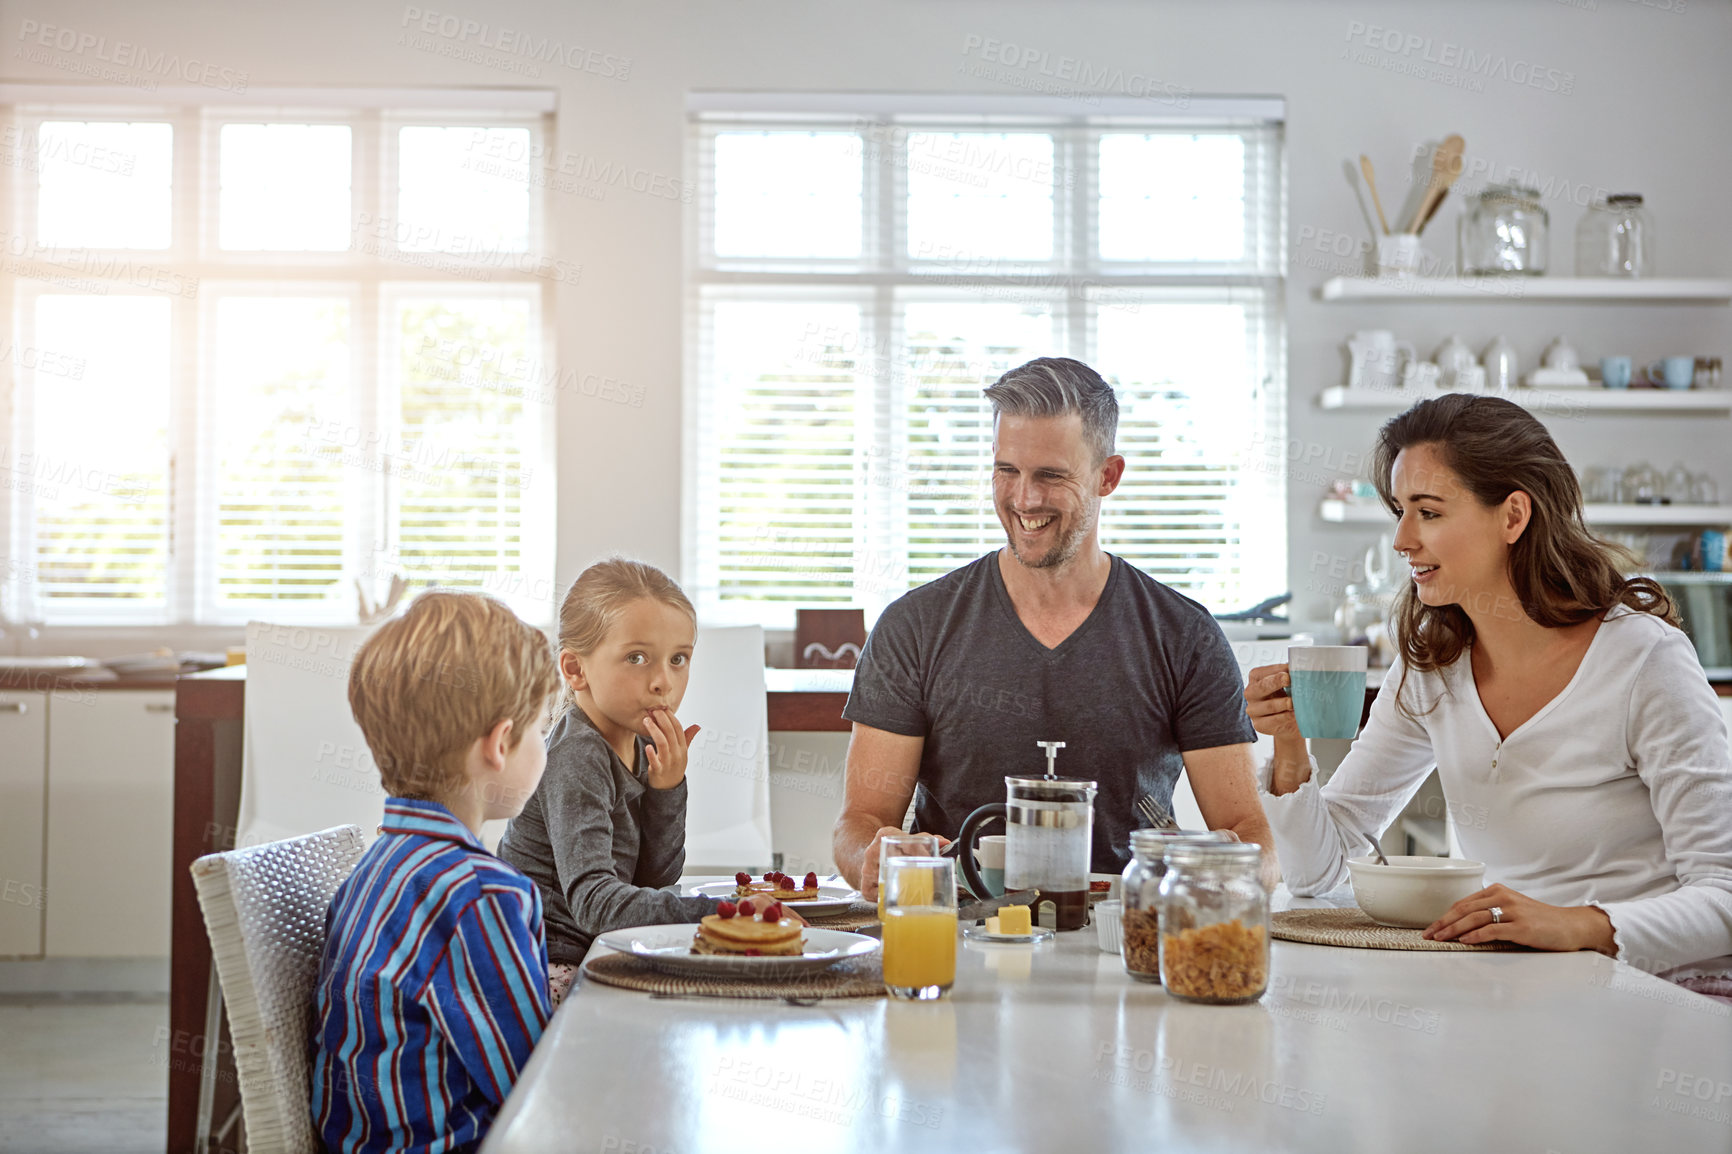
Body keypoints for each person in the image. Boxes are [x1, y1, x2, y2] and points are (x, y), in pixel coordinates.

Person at [1247, 394, 1732, 991]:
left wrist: (1579, 926)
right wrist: (1291, 747)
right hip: (1523, 982)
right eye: (1400, 510)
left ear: (1512, 516)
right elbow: (1318, 874)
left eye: (1428, 512)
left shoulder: (1643, 661)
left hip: (1667, 990)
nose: (1401, 539)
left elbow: (1724, 899)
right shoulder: (1431, 665)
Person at [832, 356, 1274, 899]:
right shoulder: (914, 627)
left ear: (1107, 476)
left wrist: (1231, 865)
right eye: (1007, 471)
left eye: (1051, 476)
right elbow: (860, 823)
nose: (1024, 499)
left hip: (1124, 938)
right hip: (959, 938)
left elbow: (1251, 836)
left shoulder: (1184, 635)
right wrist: (871, 856)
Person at [310, 590, 562, 1154]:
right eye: (541, 729)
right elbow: (537, 1085)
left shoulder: (375, 868)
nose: (544, 745)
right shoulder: (481, 895)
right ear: (500, 744)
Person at [499, 559, 794, 1007]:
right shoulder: (576, 754)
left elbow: (656, 880)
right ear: (575, 669)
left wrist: (667, 789)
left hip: (598, 950)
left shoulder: (636, 743)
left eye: (679, 659)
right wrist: (723, 911)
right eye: (637, 658)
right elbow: (596, 905)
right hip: (548, 969)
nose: (663, 682)